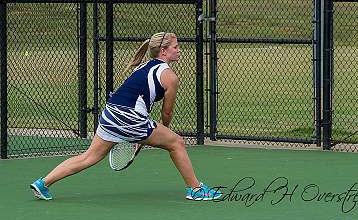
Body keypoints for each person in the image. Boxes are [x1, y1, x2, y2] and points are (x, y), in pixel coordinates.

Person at [30, 32, 222, 201]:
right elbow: (167, 112)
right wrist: (162, 133)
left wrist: (148, 134)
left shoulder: (144, 66)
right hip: (129, 117)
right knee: (176, 143)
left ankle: (43, 182)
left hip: (111, 112)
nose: (179, 50)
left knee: (89, 156)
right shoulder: (170, 76)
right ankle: (197, 190)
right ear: (163, 51)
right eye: (176, 47)